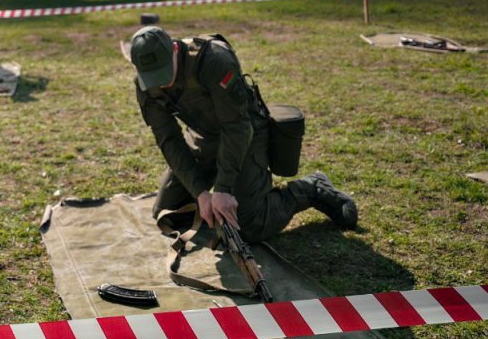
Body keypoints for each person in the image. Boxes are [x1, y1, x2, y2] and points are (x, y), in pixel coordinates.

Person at [129, 26, 358, 243]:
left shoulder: (213, 60)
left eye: (164, 72)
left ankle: (311, 188)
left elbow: (237, 127)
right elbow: (169, 140)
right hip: (204, 136)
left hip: (247, 134)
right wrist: (201, 193)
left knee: (248, 225)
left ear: (175, 48)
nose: (162, 83)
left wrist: (223, 189)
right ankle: (217, 204)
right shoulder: (146, 83)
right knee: (168, 213)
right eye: (154, 77)